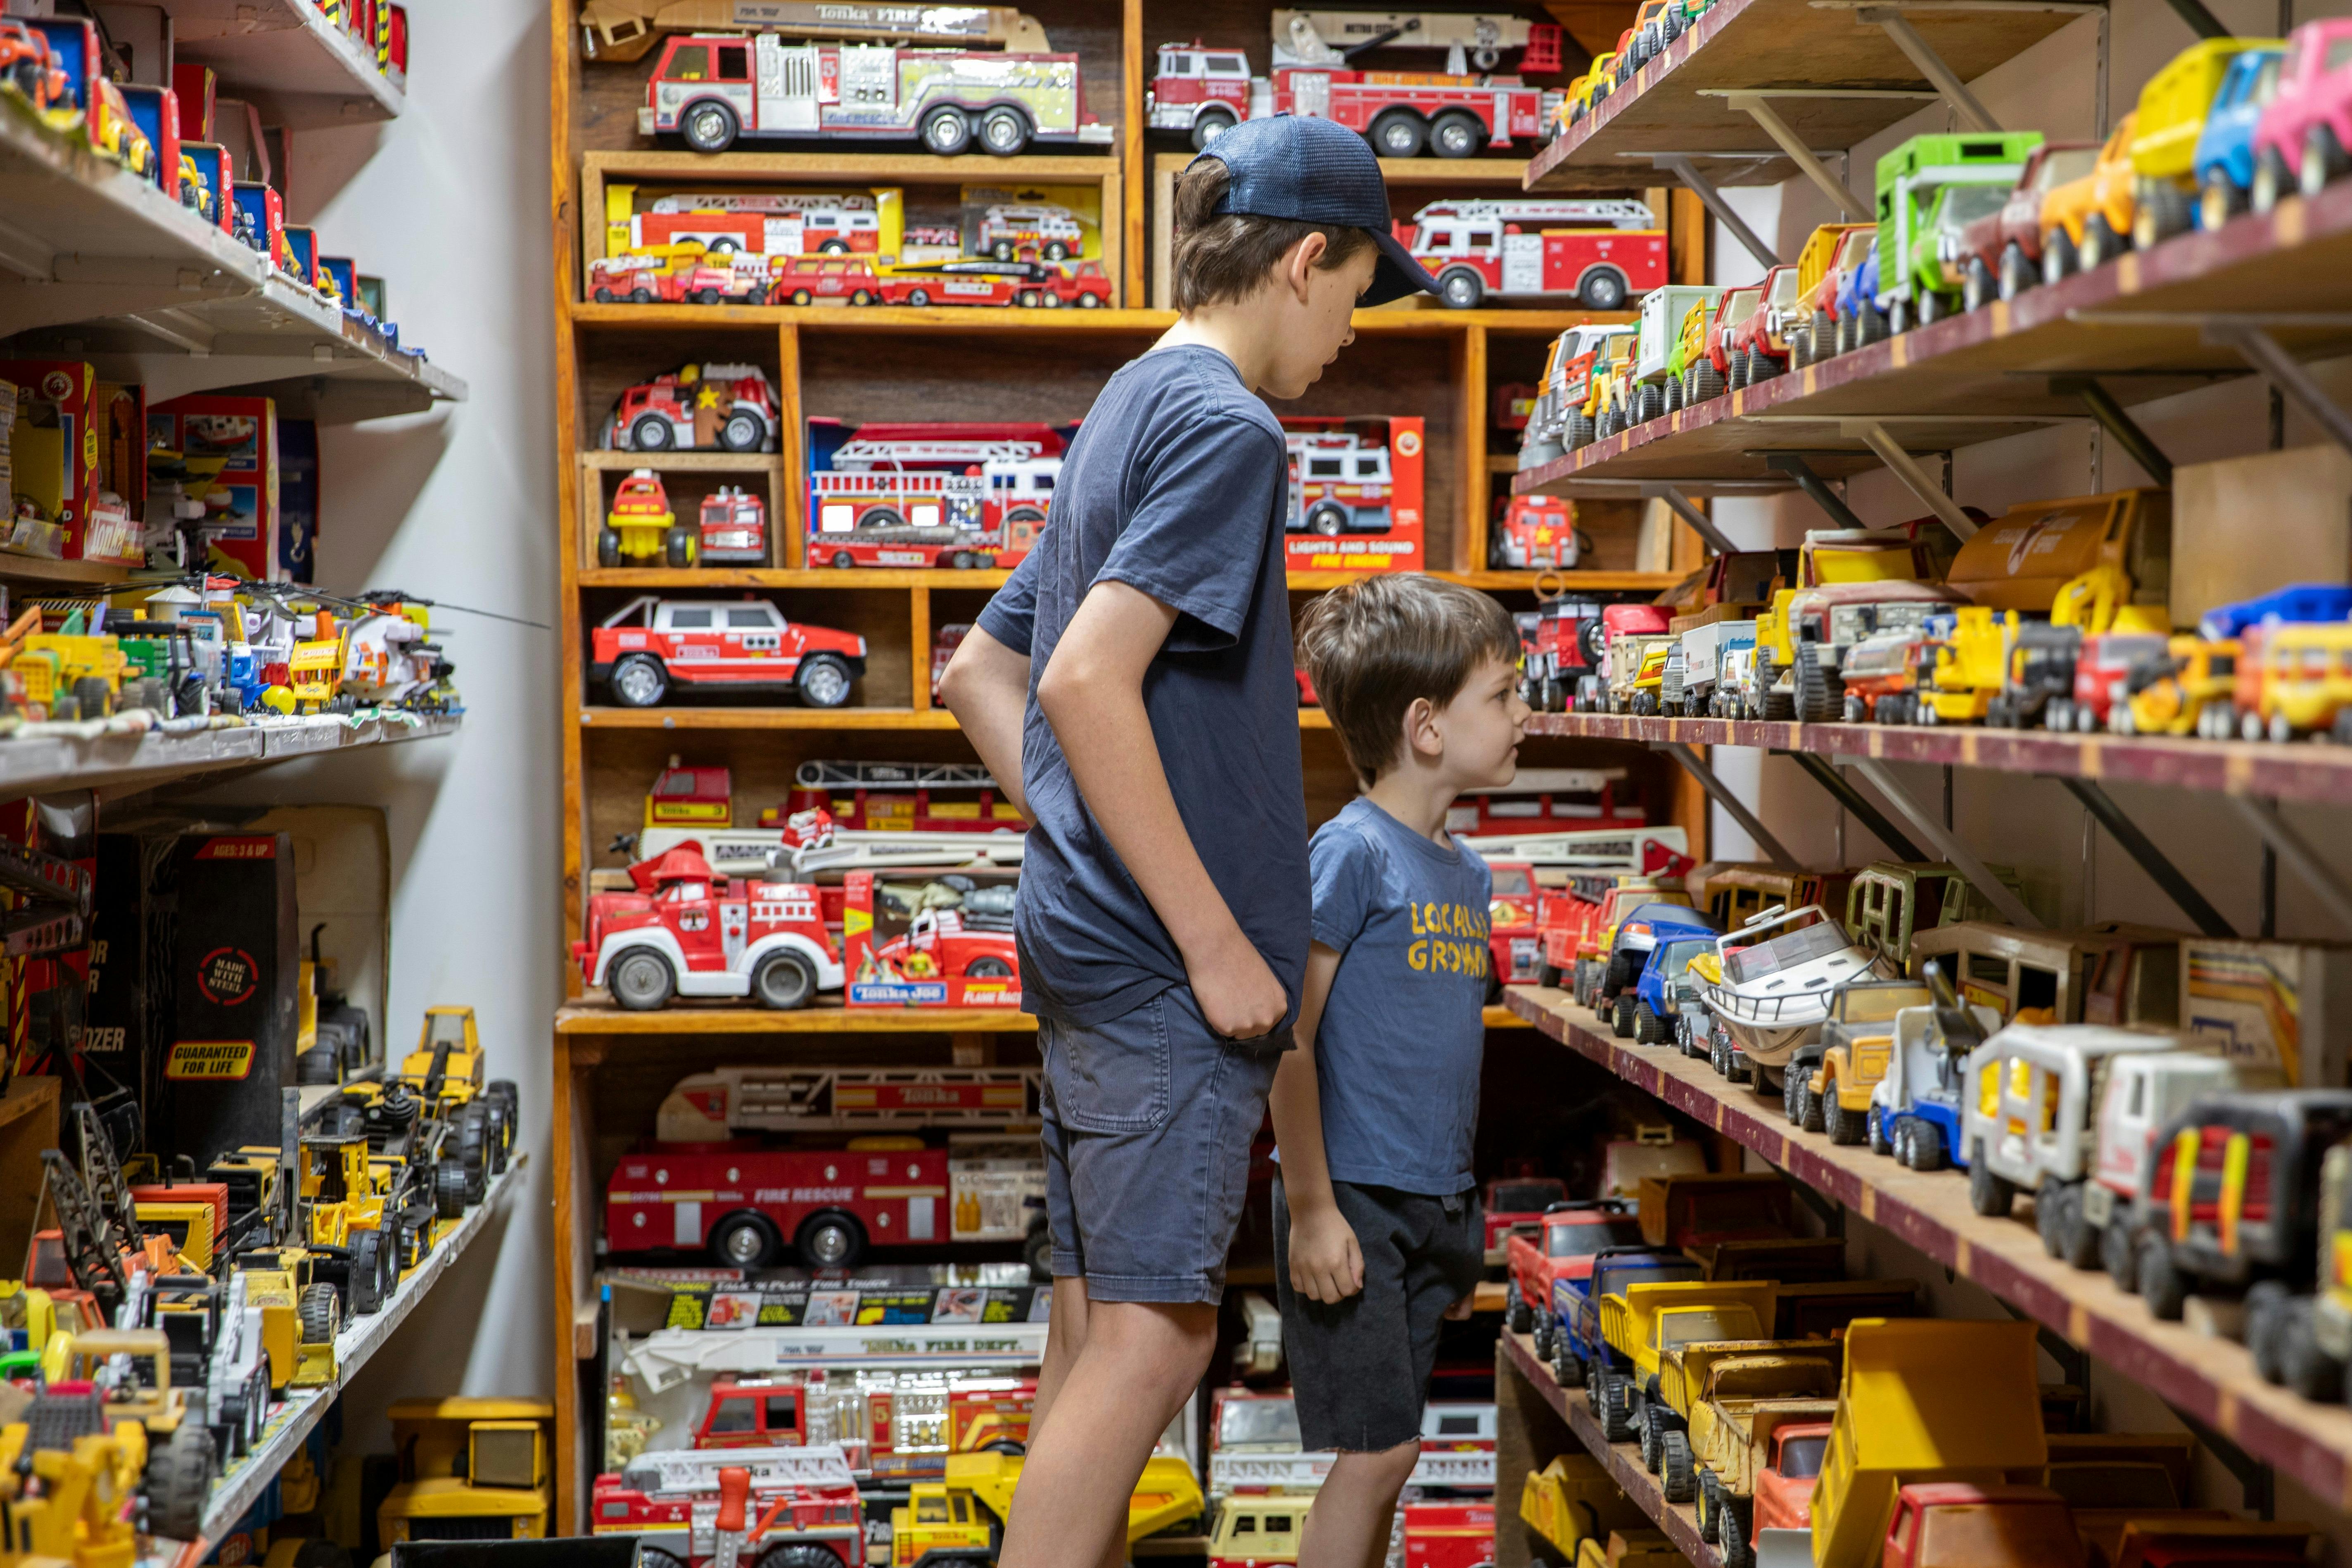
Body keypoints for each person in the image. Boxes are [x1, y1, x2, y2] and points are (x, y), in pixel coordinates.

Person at [939, 114, 1438, 1568]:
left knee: (1102, 1315)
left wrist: (1086, 848)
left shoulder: (1128, 398)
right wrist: (1211, 935)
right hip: (1166, 972)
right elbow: (1082, 678)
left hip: (1095, 947)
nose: (1351, 328)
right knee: (1159, 1337)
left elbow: (981, 669)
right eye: (1355, 291)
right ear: (1301, 260)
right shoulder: (1228, 425)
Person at [1273, 574, 1531, 1568]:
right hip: (1353, 1206)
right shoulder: (1349, 854)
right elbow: (1287, 1037)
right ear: (1427, 727)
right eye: (1502, 696)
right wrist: (1310, 1209)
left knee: (1394, 1450)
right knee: (1379, 1456)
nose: (1522, 714)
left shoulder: (1462, 871)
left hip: (1431, 1205)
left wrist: (1455, 1228)